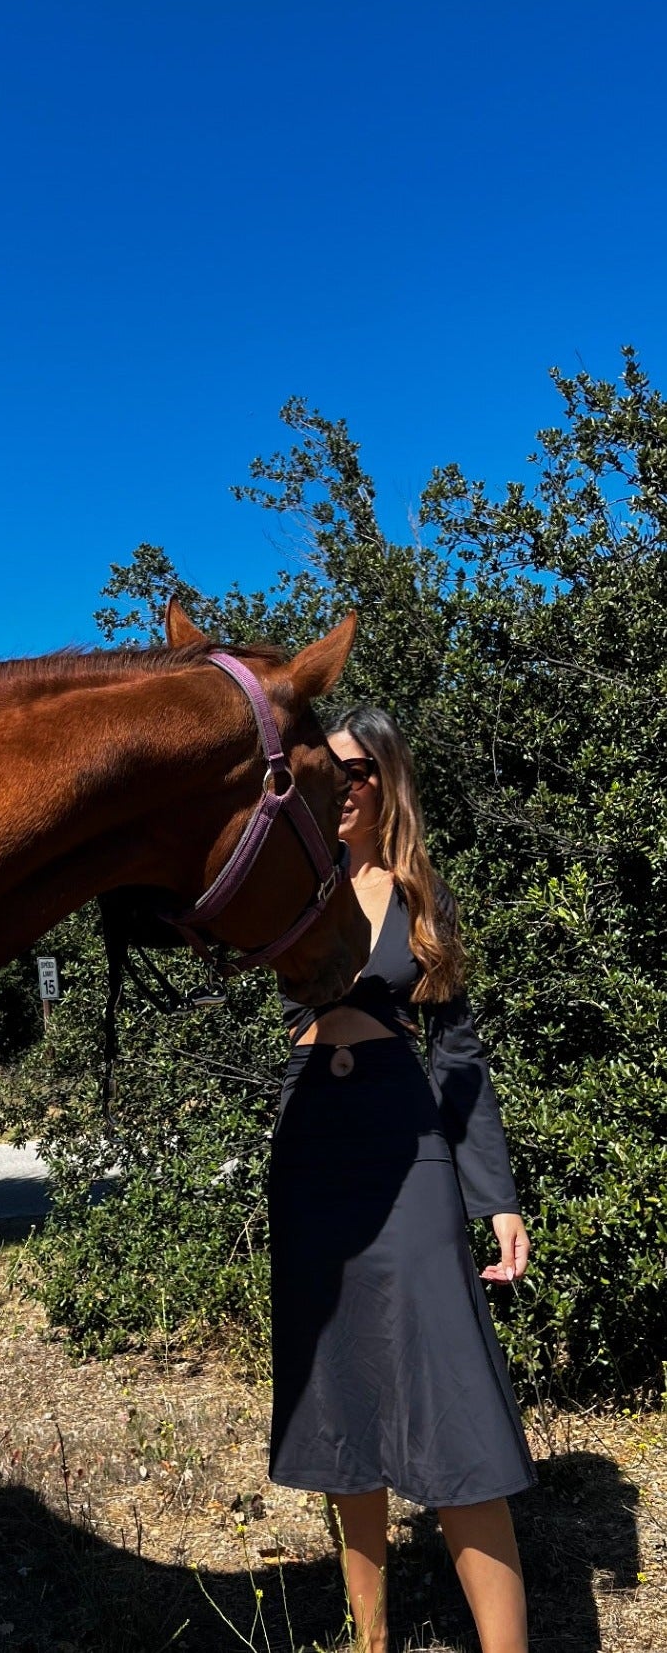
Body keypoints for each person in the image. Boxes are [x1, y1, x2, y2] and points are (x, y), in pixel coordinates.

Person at [268, 705, 534, 1653]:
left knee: (452, 1390)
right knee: (339, 1391)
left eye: (351, 772)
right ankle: (368, 1638)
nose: (335, 787)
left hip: (402, 1132)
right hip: (309, 1139)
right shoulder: (291, 879)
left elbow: (457, 1058)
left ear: (384, 782)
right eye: (322, 770)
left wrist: (492, 1196)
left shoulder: (419, 893)